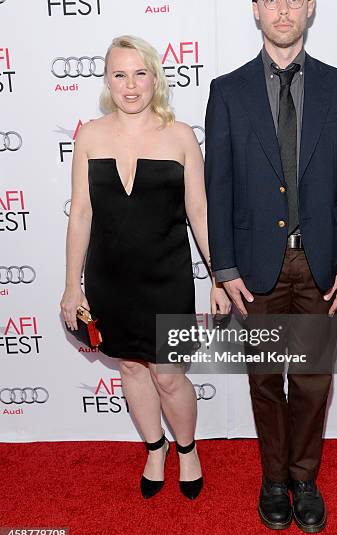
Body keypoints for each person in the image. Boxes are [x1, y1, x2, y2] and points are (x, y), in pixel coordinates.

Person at [205, 0, 337, 532]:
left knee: (313, 381)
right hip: (253, 269)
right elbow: (216, 186)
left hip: (321, 264)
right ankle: (273, 478)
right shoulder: (225, 93)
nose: (282, 8)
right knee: (263, 380)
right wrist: (222, 266)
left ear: (310, 8)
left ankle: (304, 478)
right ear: (255, 10)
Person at [61, 35, 230, 500]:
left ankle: (188, 449)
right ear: (107, 80)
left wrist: (218, 275)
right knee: (132, 371)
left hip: (167, 278)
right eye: (119, 74)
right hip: (109, 279)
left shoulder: (179, 136)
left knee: (169, 374)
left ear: (155, 77)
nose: (130, 85)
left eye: (140, 73)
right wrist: (72, 287)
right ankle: (155, 449)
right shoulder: (90, 135)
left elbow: (200, 211)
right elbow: (80, 214)